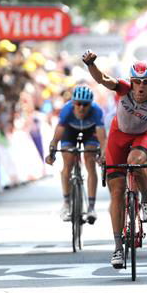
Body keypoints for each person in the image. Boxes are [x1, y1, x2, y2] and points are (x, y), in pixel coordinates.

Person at [82, 50, 147, 268]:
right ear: (131, 82)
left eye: (146, 83)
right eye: (137, 82)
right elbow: (103, 79)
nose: (141, 87)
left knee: (135, 161)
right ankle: (118, 248)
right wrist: (91, 64)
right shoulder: (123, 89)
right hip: (117, 137)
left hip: (142, 136)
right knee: (117, 193)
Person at [45, 85, 106, 224]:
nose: (81, 108)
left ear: (91, 104)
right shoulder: (66, 110)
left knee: (90, 160)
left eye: (85, 104)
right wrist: (52, 153)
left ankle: (91, 207)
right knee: (68, 161)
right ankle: (66, 203)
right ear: (73, 103)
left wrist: (103, 155)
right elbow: (56, 138)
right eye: (78, 103)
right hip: (70, 132)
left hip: (90, 132)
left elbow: (103, 140)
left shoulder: (96, 111)